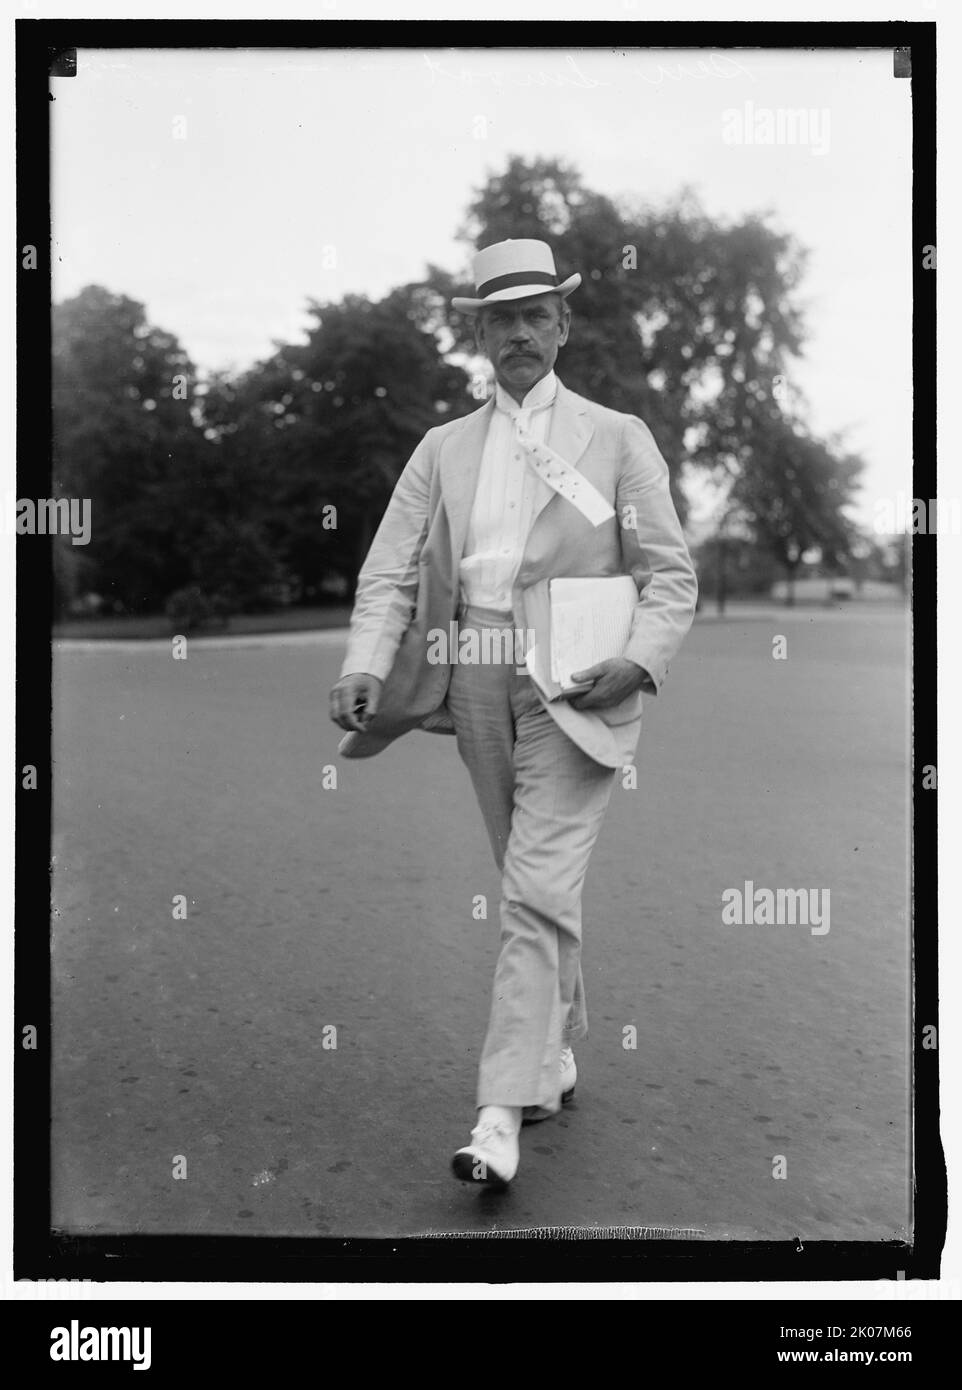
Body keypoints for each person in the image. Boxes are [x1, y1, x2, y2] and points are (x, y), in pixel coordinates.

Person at [329, 238, 697, 1186]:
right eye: (504, 318)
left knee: (534, 890)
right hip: (473, 677)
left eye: (539, 315)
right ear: (481, 335)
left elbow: (670, 577)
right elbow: (390, 571)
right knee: (532, 881)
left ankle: (499, 1112)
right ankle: (556, 1051)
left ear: (564, 325)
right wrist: (367, 661)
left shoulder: (618, 438)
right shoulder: (440, 449)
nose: (523, 332)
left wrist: (639, 661)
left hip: (580, 684)